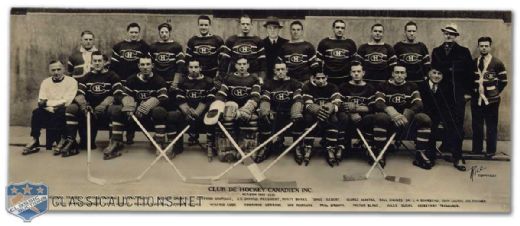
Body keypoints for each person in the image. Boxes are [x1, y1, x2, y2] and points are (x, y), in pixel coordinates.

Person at [103, 56, 169, 160]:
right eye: (142, 65)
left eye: (148, 64)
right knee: (116, 110)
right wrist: (129, 105)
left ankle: (160, 143)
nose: (145, 67)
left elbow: (164, 97)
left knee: (159, 111)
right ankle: (116, 142)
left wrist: (148, 105)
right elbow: (123, 95)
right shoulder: (131, 79)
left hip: (150, 113)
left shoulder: (159, 80)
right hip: (133, 113)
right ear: (138, 66)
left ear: (152, 66)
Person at [61, 51, 123, 157]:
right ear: (91, 62)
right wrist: (84, 105)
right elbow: (79, 94)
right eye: (95, 61)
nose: (97, 63)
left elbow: (118, 94)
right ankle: (71, 141)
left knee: (116, 109)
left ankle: (114, 142)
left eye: (100, 61)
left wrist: (105, 104)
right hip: (89, 111)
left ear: (105, 62)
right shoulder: (87, 77)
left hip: (106, 110)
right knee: (71, 108)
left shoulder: (112, 76)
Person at [431, 23, 474, 171]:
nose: (448, 36)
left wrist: (468, 92)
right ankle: (433, 154)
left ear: (456, 36)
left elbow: (470, 74)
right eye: (446, 33)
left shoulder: (464, 52)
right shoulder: (436, 51)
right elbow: (433, 72)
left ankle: (457, 156)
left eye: (451, 34)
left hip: (457, 94)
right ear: (443, 35)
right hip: (441, 93)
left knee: (457, 125)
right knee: (436, 122)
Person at [373, 64, 433, 169]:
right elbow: (378, 102)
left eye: (402, 73)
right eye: (397, 72)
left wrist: (406, 115)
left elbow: (419, 104)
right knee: (380, 117)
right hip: (390, 119)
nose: (399, 75)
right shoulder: (383, 85)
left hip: (406, 120)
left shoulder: (412, 86)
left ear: (406, 75)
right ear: (392, 74)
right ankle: (380, 152)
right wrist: (391, 112)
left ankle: (420, 153)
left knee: (424, 119)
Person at [211, 58, 262, 162]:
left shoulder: (254, 79)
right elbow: (221, 94)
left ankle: (247, 151)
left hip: (247, 108)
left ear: (248, 65)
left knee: (250, 122)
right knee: (227, 118)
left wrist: (245, 109)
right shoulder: (229, 78)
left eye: (244, 64)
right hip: (232, 107)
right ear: (236, 66)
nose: (242, 66)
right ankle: (228, 151)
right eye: (239, 64)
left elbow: (255, 97)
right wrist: (217, 106)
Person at [23, 61, 78, 155]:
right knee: (36, 112)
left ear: (63, 69)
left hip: (64, 109)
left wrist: (48, 104)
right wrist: (50, 107)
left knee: (61, 111)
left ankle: (63, 139)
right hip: (49, 109)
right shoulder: (46, 82)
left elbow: (67, 101)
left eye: (58, 69)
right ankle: (35, 139)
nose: (56, 72)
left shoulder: (71, 81)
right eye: (53, 70)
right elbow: (41, 101)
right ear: (49, 71)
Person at [111, 22, 151, 144]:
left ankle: (131, 133)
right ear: (127, 32)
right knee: (124, 108)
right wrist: (118, 81)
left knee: (136, 108)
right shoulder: (119, 46)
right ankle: (115, 138)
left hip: (136, 83)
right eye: (131, 32)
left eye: (136, 32)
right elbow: (113, 66)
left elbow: (147, 64)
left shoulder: (143, 46)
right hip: (123, 82)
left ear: (139, 33)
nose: (134, 34)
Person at [256, 61, 304, 163]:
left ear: (287, 70)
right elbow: (265, 98)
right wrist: (265, 110)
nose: (280, 72)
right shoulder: (268, 83)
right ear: (274, 71)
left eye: (283, 69)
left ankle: (297, 147)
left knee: (299, 119)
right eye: (278, 70)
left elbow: (298, 99)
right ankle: (265, 147)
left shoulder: (295, 83)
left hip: (289, 113)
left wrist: (295, 111)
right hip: (275, 113)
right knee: (263, 118)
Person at [168, 60, 216, 159]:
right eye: (191, 67)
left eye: (196, 67)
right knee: (173, 116)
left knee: (212, 116)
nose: (193, 70)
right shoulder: (183, 81)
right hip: (186, 113)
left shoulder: (209, 81)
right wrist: (186, 110)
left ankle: (210, 146)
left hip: (202, 112)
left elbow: (210, 98)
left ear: (200, 68)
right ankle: (176, 147)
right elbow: (179, 98)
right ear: (187, 68)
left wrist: (198, 111)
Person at [471, 36, 508, 158]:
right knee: (477, 124)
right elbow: (470, 80)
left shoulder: (497, 63)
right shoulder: (474, 62)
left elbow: (503, 81)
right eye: (481, 46)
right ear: (478, 47)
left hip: (492, 100)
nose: (484, 48)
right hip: (477, 99)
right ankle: (477, 149)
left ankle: (491, 150)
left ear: (490, 47)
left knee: (491, 125)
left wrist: (494, 92)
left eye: (486, 46)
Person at [337, 62, 379, 164]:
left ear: (363, 73)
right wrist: (351, 113)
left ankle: (368, 148)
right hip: (347, 115)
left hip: (363, 116)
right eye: (354, 71)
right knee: (342, 117)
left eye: (359, 71)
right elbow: (339, 104)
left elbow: (371, 107)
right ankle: (342, 147)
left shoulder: (370, 87)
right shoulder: (343, 86)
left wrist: (356, 109)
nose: (356, 74)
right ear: (350, 73)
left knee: (371, 118)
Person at [300, 71, 341, 166]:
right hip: (313, 114)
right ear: (313, 78)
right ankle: (308, 147)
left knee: (334, 119)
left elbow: (337, 102)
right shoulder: (308, 86)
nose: (321, 80)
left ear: (326, 77)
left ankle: (330, 148)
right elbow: (308, 103)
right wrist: (317, 110)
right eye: (318, 78)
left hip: (328, 114)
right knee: (307, 118)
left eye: (323, 78)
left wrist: (330, 107)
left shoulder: (333, 87)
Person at [417, 67, 450, 166]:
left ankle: (448, 151)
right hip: (423, 115)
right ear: (429, 74)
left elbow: (446, 105)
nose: (436, 76)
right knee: (429, 125)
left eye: (439, 73)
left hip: (438, 116)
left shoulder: (445, 87)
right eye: (434, 73)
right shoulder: (422, 86)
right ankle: (427, 155)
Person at [220, 15, 266, 81]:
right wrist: (223, 77)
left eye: (247, 24)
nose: (245, 26)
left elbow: (262, 62)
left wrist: (261, 77)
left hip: (253, 75)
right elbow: (224, 61)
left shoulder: (258, 41)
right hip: (235, 76)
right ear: (239, 25)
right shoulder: (231, 40)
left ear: (251, 25)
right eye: (243, 24)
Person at [317, 19, 358, 85]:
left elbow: (354, 63)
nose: (340, 30)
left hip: (345, 78)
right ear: (333, 28)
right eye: (337, 27)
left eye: (342, 28)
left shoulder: (350, 43)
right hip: (329, 78)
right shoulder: (324, 42)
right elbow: (318, 62)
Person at [186, 15, 225, 80]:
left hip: (212, 73)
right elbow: (188, 59)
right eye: (201, 25)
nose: (203, 27)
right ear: (198, 25)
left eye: (206, 25)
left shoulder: (217, 40)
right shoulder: (192, 40)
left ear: (210, 26)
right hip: (197, 74)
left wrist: (219, 73)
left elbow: (222, 60)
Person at [150, 23, 185, 87]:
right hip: (157, 80)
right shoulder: (153, 47)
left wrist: (176, 81)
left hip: (171, 80)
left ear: (169, 32)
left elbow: (180, 65)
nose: (164, 34)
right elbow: (150, 64)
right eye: (162, 32)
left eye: (166, 32)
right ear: (159, 33)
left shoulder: (176, 46)